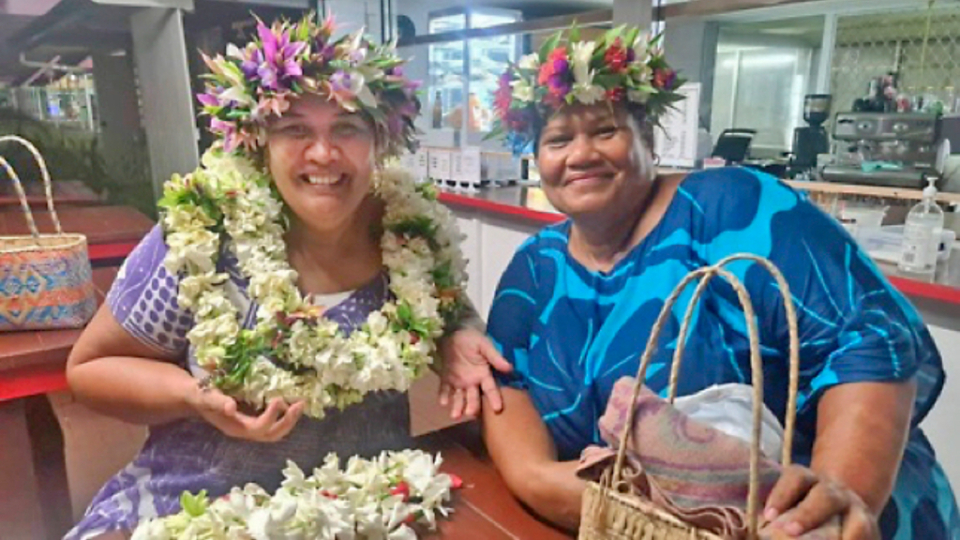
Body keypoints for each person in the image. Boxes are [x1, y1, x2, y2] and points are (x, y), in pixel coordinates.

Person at [480, 25, 960, 539]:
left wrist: (840, 490)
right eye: (558, 140)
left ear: (647, 136)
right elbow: (504, 380)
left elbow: (867, 337)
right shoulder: (535, 268)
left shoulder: (737, 208)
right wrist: (537, 481)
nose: (580, 155)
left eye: (604, 131)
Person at [63, 14, 499, 540]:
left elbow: (454, 319)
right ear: (256, 143)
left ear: (379, 141)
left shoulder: (411, 236)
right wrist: (192, 395)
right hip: (194, 508)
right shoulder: (205, 232)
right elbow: (90, 369)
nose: (323, 153)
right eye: (295, 129)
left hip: (363, 508)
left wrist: (457, 335)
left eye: (347, 128)